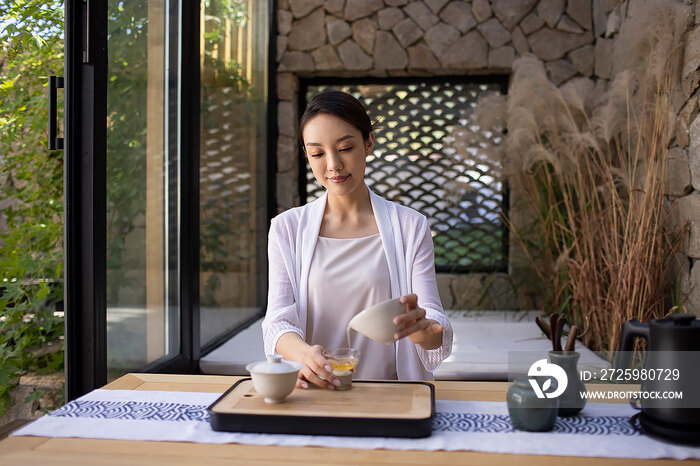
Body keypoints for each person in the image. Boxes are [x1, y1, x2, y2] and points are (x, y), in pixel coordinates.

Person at [262, 90, 452, 390]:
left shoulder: (410, 227)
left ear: (369, 143)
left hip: (392, 395)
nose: (333, 165)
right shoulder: (287, 229)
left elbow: (435, 325)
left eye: (345, 147)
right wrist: (306, 354)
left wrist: (421, 330)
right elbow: (277, 321)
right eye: (318, 154)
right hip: (317, 392)